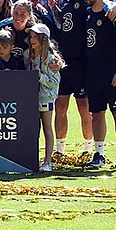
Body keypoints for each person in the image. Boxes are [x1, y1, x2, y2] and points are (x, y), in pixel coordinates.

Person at [48, 0, 97, 156]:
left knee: (83, 107)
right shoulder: (66, 5)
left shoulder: (86, 4)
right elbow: (64, 28)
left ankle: (88, 148)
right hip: (63, 64)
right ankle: (60, 150)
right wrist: (55, 10)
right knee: (61, 106)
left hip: (81, 63)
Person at [81, 0, 116, 169]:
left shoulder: (112, 14)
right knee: (96, 113)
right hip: (93, 73)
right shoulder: (88, 13)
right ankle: (99, 154)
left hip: (112, 73)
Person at [25, 23, 65, 172]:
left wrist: (40, 77)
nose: (32, 40)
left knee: (47, 128)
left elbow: (55, 83)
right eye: (31, 37)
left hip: (45, 98)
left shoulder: (51, 59)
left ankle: (48, 162)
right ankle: (31, 160)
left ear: (44, 38)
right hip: (29, 98)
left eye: (36, 37)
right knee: (33, 129)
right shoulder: (27, 55)